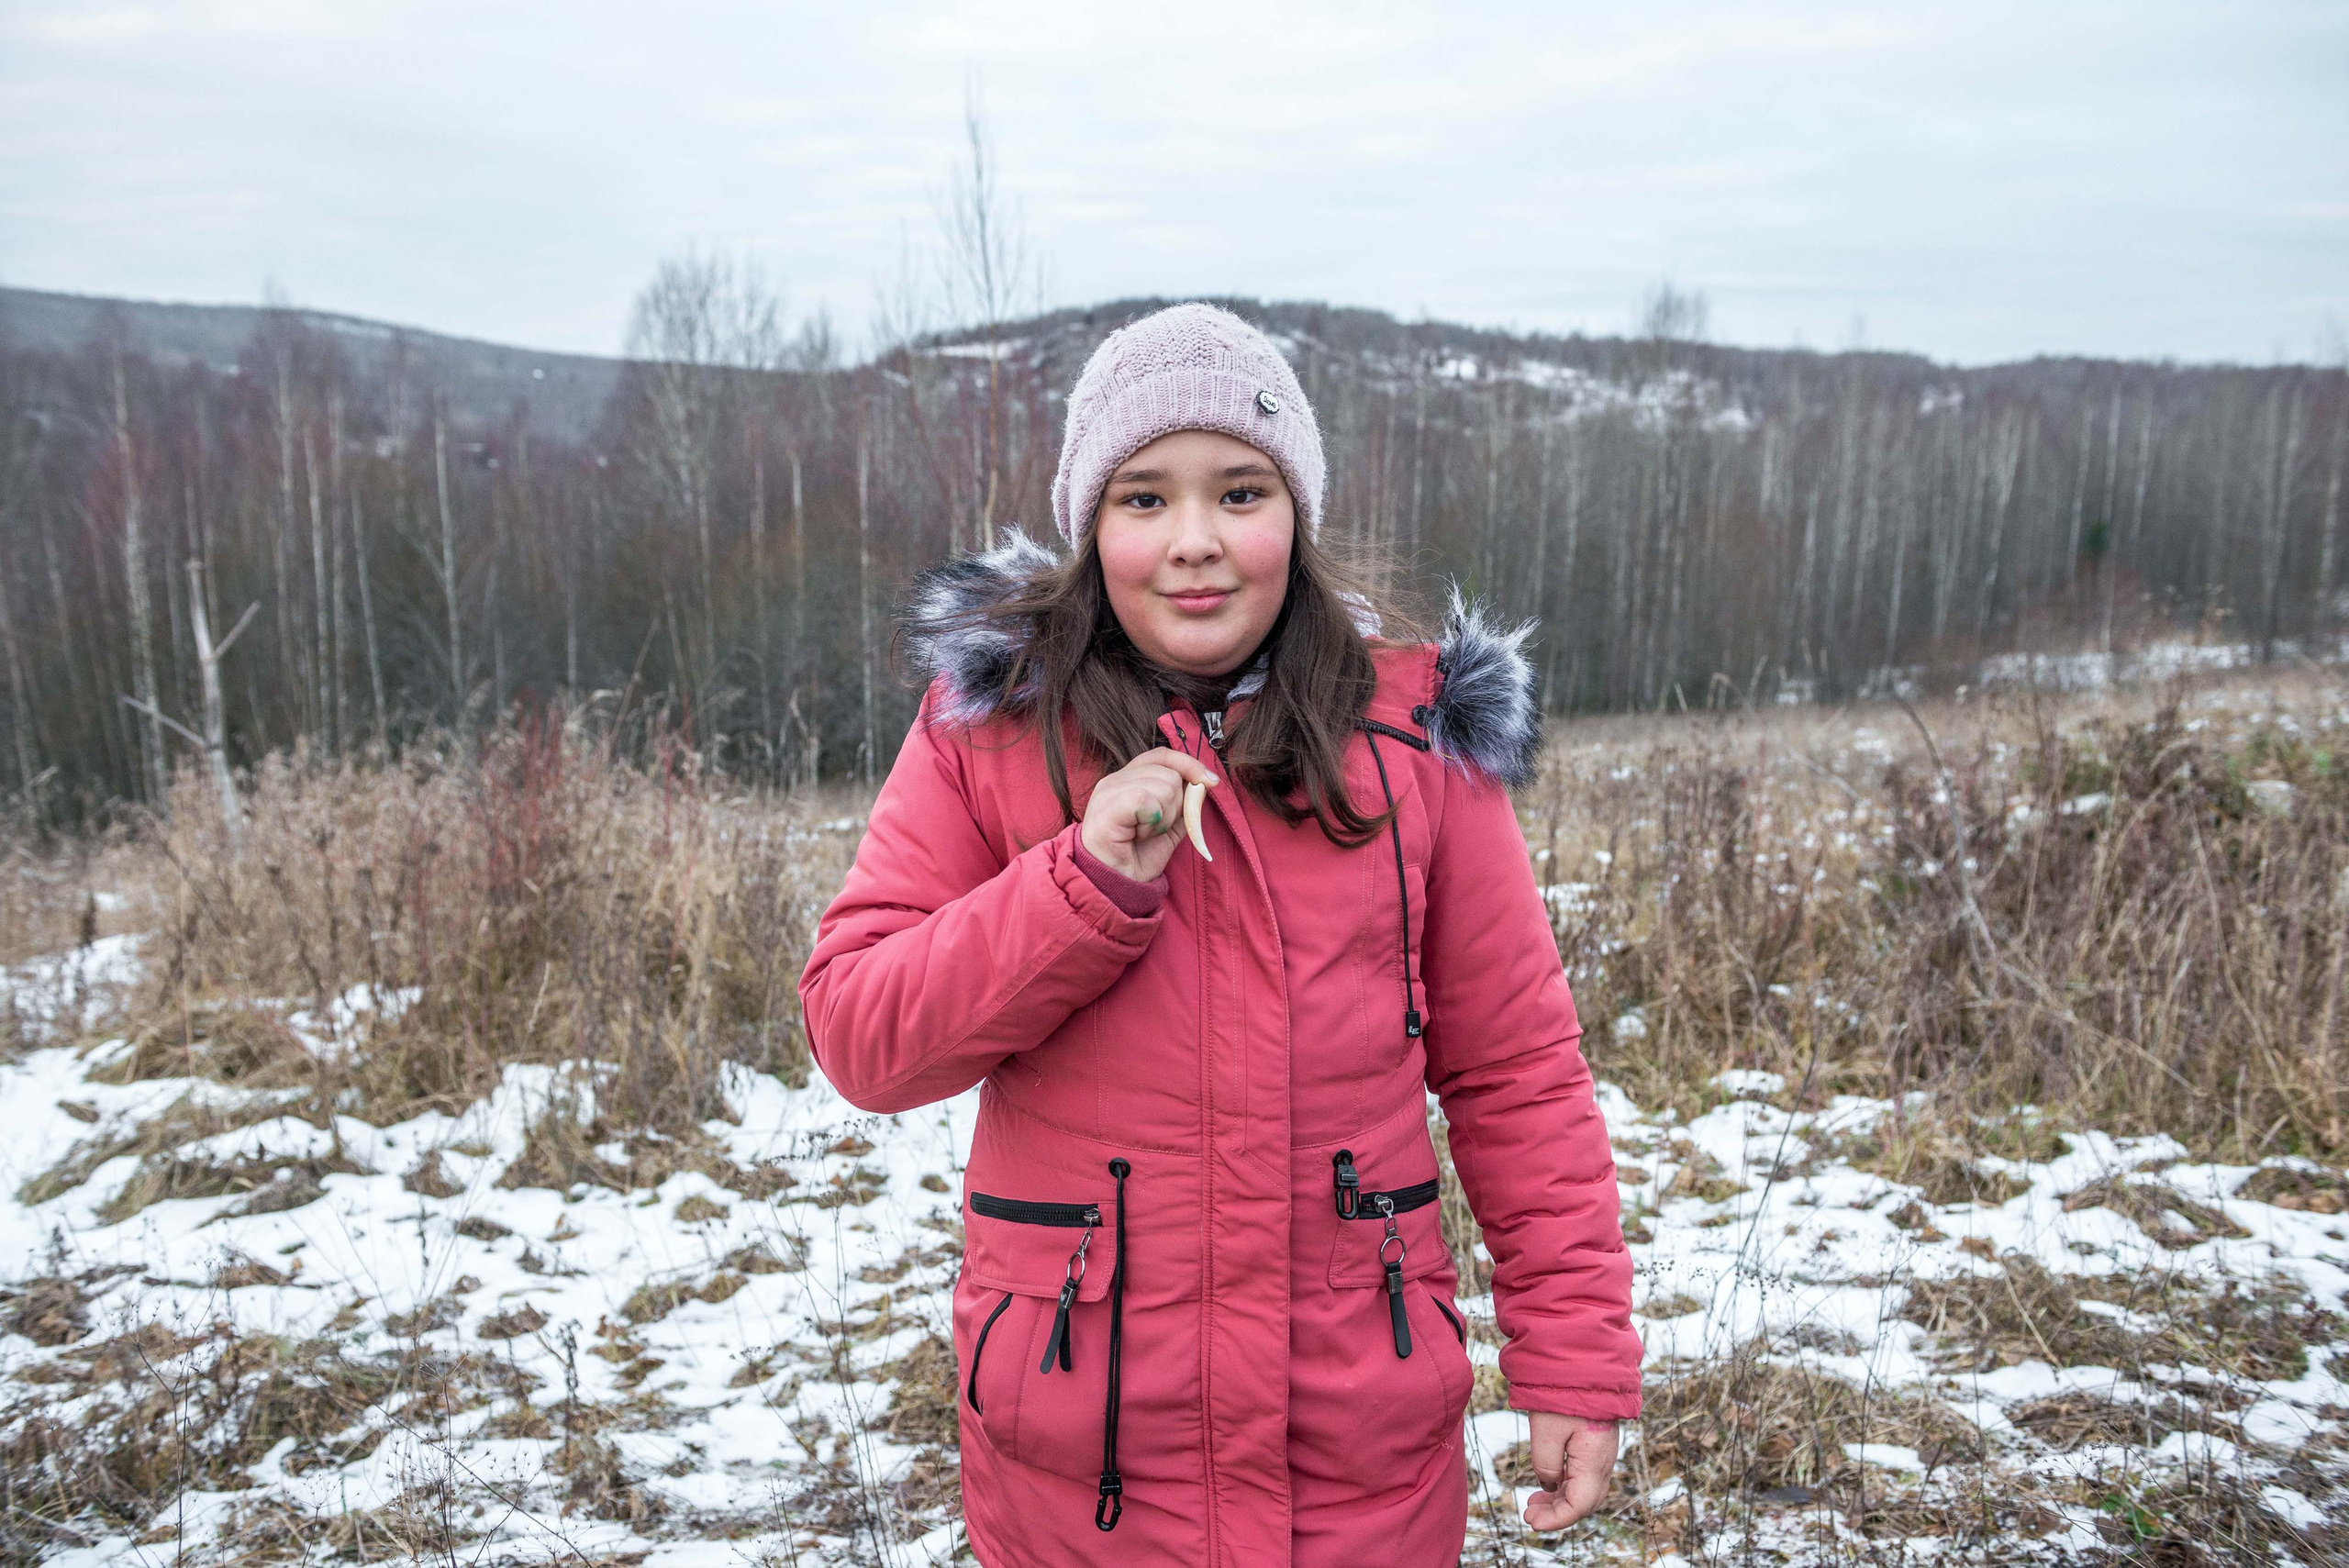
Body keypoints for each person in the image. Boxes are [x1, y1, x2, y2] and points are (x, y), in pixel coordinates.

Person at [797, 302, 1640, 1567]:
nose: (1194, 542)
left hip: (1358, 1454)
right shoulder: (990, 731)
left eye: (1239, 491)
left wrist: (1572, 1354)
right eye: (1144, 498)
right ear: (1091, 521)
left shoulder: (1416, 747)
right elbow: (862, 1035)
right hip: (1080, 1460)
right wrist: (1079, 881)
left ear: (1295, 513)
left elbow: (1519, 1074)